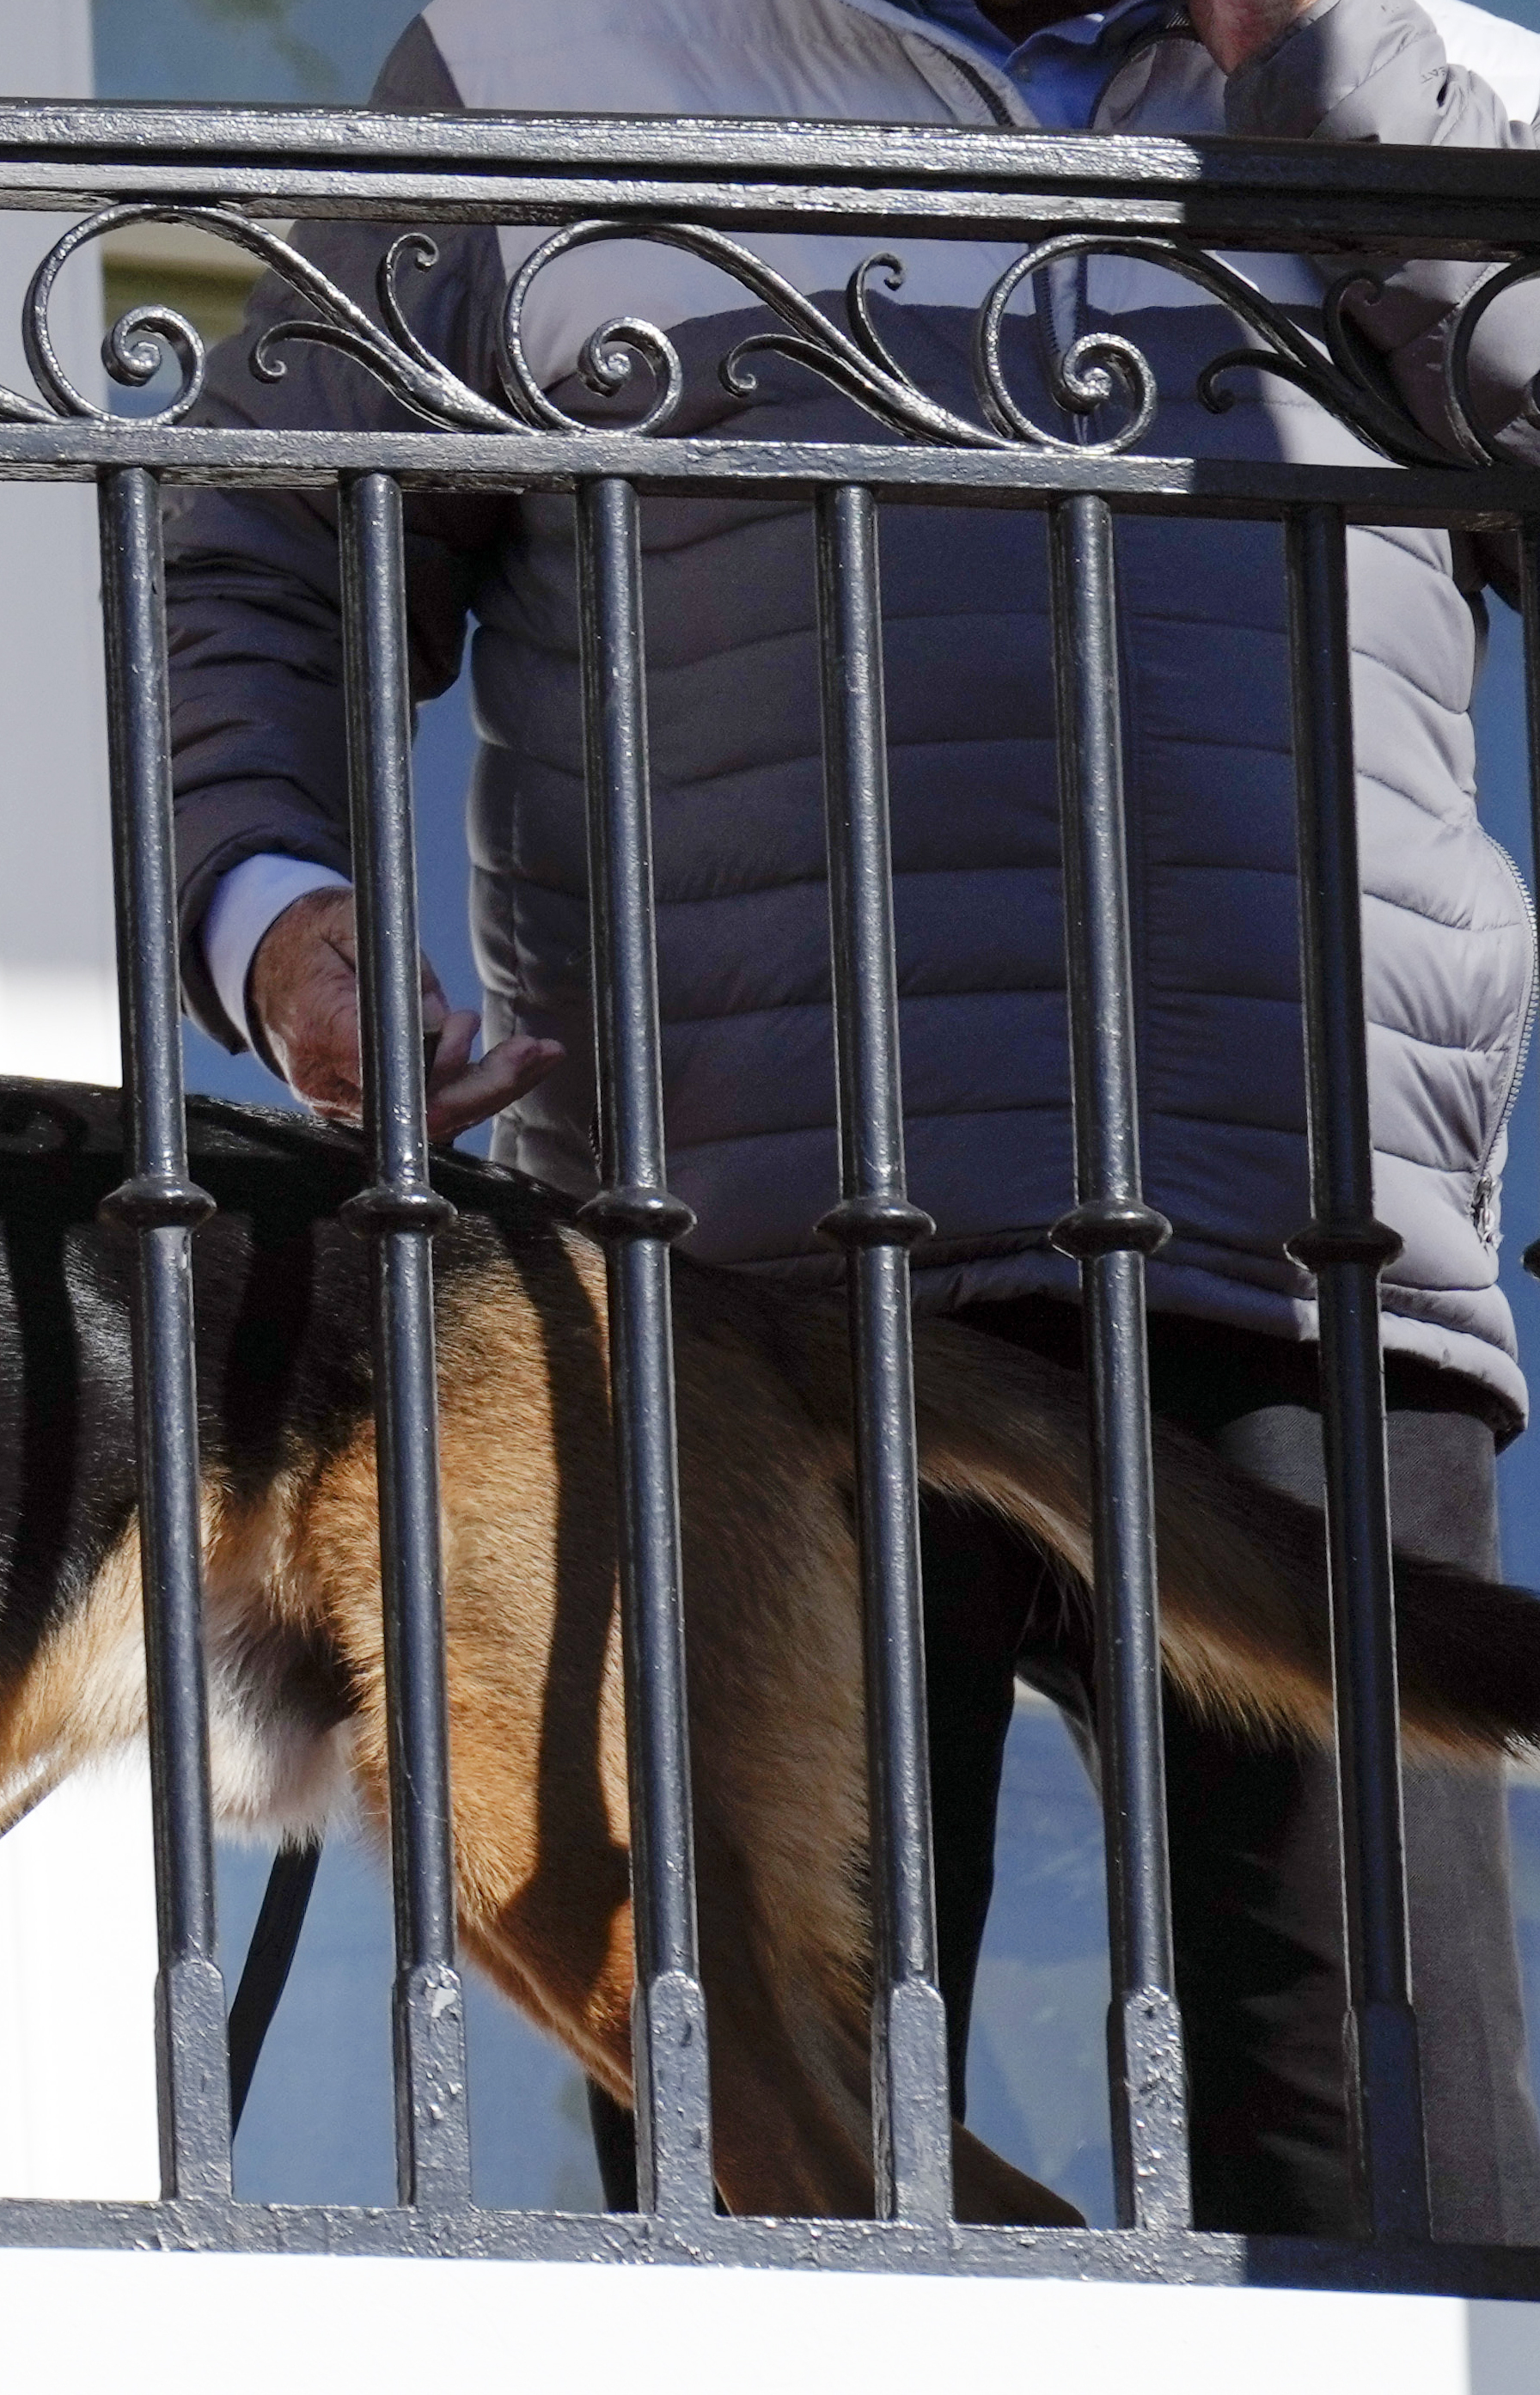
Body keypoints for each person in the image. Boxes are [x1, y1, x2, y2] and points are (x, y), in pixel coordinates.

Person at [169, 0, 1540, 2235]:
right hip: (747, 1303)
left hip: (1306, 1259)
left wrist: (1326, 69)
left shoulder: (1435, 84)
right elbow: (267, 540)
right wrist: (283, 920)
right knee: (788, 2190)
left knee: (1397, 2199)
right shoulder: (533, 62)